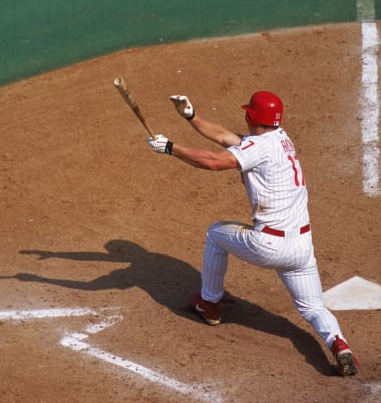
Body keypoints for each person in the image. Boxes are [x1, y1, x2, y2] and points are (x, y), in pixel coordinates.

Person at [146, 91, 359, 376]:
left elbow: (213, 161)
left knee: (215, 234)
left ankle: (209, 304)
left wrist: (170, 148)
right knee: (313, 307)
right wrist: (191, 116)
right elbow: (224, 137)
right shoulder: (280, 139)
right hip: (302, 247)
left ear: (250, 116)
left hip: (269, 244)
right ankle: (339, 343)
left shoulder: (259, 147)